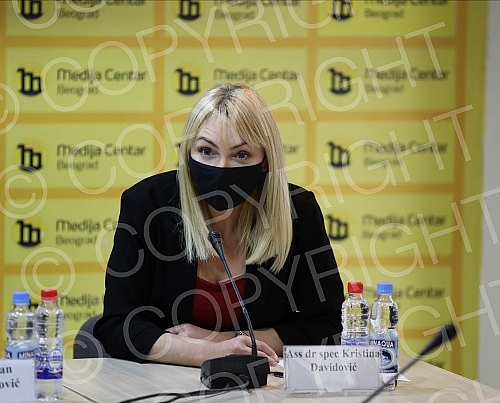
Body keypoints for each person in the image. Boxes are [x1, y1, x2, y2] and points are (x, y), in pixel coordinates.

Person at [94, 83, 344, 368]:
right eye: (206, 151)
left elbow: (330, 324)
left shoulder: (296, 210)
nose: (222, 168)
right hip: (164, 383)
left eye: (241, 155)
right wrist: (208, 352)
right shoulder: (148, 204)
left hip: (261, 385)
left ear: (265, 160)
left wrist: (227, 340)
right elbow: (118, 326)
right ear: (188, 152)